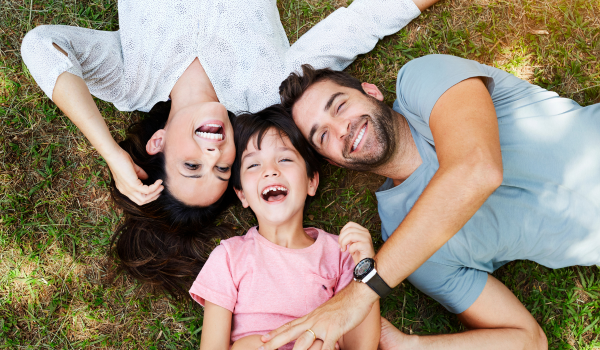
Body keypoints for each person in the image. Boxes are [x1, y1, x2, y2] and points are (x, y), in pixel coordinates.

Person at [20, 0, 436, 295]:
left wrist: (111, 153)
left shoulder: (130, 81)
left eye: (191, 165)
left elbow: (41, 45)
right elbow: (362, 22)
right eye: (221, 170)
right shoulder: (267, 90)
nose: (215, 153)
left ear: (158, 142)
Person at [256, 54, 600, 350]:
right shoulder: (407, 249)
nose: (341, 129)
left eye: (340, 106)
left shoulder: (421, 80)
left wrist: (359, 296)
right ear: (333, 162)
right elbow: (527, 341)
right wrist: (408, 344)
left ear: (371, 91)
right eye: (323, 135)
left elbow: (477, 169)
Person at [189, 106, 380, 350]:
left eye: (285, 159)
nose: (270, 170)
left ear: (311, 181)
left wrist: (366, 268)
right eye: (253, 165)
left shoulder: (342, 253)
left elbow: (360, 347)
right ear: (242, 195)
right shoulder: (228, 257)